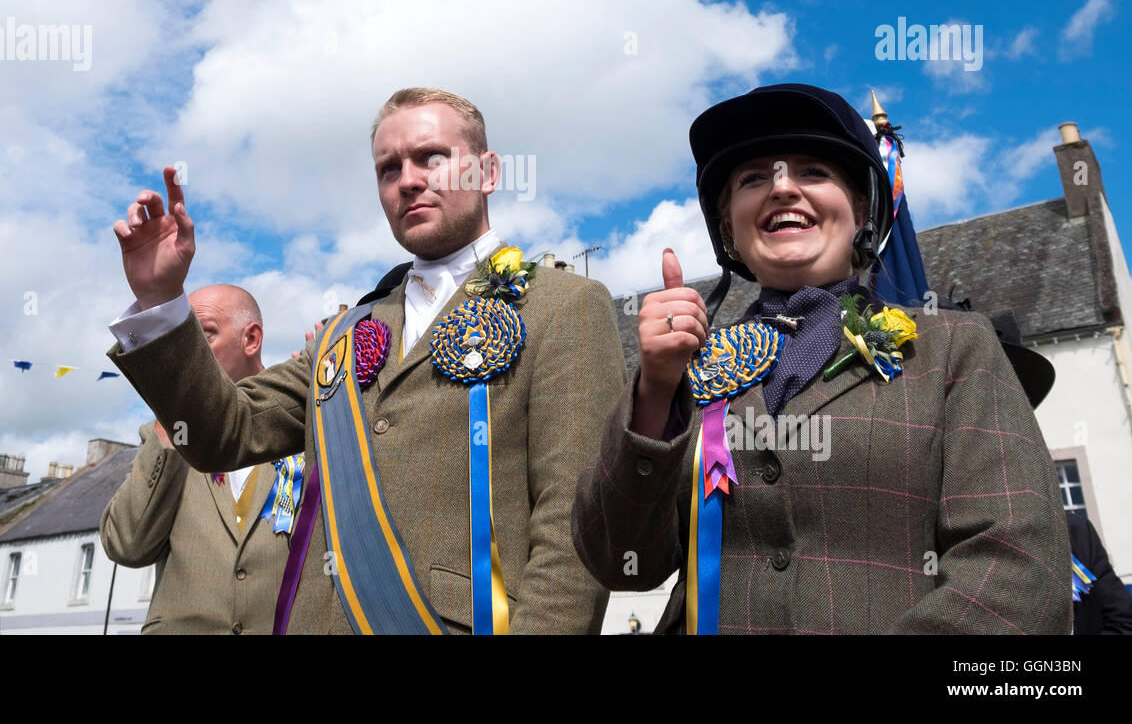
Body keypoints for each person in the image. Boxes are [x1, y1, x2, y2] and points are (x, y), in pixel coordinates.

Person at [105, 88, 625, 633]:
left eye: (432, 157)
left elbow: (573, 528)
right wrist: (162, 302)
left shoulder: (564, 306)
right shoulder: (341, 335)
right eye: (388, 168)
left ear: (489, 172)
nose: (408, 180)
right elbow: (221, 434)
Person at [572, 83, 1072, 634]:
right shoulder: (688, 366)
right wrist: (655, 393)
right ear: (728, 230)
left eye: (813, 172)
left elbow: (1018, 569)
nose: (782, 187)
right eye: (753, 179)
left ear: (859, 210)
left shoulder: (955, 347)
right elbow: (622, 562)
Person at [100, 285, 305, 634]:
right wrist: (170, 420)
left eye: (202, 334)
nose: (186, 350)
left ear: (251, 339)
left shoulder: (305, 423)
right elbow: (127, 547)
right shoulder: (166, 434)